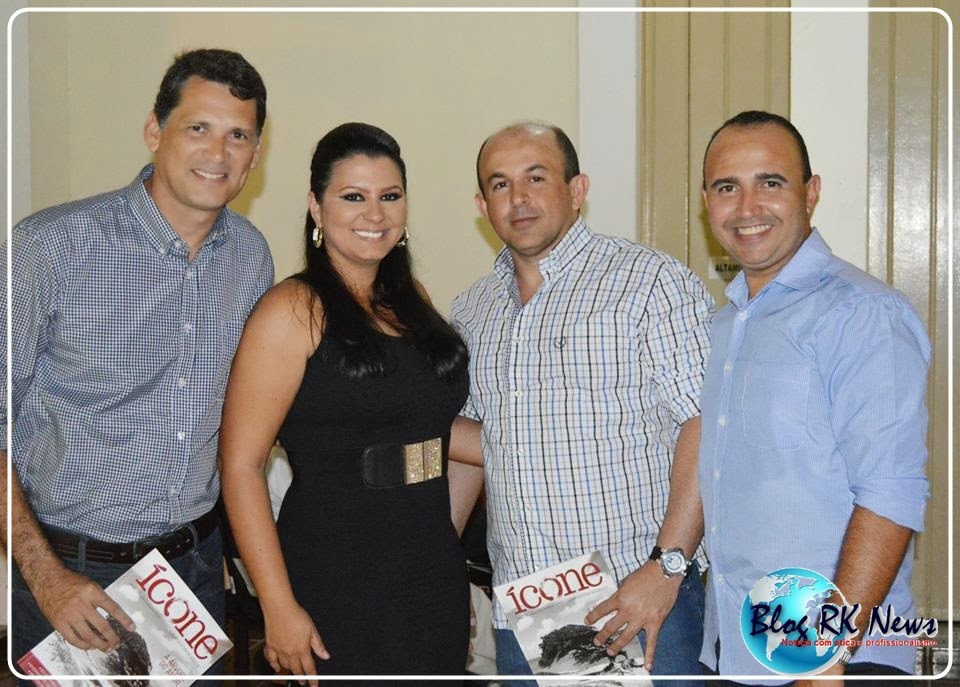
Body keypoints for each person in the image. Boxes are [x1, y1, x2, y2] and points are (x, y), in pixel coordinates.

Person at [0, 47, 273, 672]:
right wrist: (46, 578)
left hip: (193, 570)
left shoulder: (251, 258)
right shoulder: (50, 247)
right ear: (155, 130)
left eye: (238, 136)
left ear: (255, 157)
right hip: (72, 577)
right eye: (197, 127)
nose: (218, 152)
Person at [451, 122, 714, 685]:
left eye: (536, 178)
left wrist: (667, 566)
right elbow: (478, 443)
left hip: (634, 600)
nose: (518, 198)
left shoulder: (648, 282)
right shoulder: (472, 311)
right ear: (482, 205)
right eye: (500, 184)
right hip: (525, 613)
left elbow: (706, 423)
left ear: (577, 190)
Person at [219, 122, 479, 683]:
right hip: (334, 577)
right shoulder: (292, 311)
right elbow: (240, 465)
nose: (375, 214)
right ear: (317, 207)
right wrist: (277, 605)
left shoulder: (412, 303)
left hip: (430, 572)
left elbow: (430, 431)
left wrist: (546, 444)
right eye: (353, 197)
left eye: (390, 196)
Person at [697, 110, 931, 686]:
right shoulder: (727, 324)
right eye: (727, 187)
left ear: (811, 192)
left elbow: (891, 492)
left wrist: (825, 653)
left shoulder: (862, 313)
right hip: (738, 650)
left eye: (770, 182)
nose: (747, 207)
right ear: (706, 202)